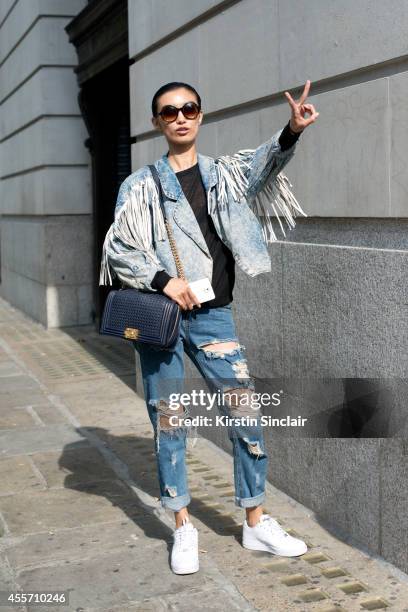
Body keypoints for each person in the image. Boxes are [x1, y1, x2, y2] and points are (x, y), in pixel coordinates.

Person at [99, 80, 319, 575]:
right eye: (169, 111)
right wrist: (164, 280)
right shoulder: (138, 186)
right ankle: (181, 525)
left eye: (189, 108)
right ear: (157, 122)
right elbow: (119, 249)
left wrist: (292, 130)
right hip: (162, 319)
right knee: (170, 421)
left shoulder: (222, 173)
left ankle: (256, 521)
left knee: (246, 414)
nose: (180, 116)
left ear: (200, 115)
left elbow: (264, 166)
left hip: (214, 315)